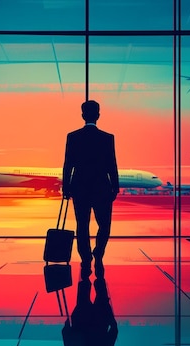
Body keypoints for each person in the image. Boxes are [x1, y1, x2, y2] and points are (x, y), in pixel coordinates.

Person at [62, 100, 119, 278]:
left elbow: (68, 165)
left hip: (80, 187)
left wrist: (66, 187)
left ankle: (85, 258)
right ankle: (98, 254)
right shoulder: (107, 138)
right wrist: (115, 187)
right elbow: (112, 164)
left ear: (82, 115)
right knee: (104, 225)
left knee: (82, 225)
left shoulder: (73, 136)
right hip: (102, 188)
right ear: (98, 115)